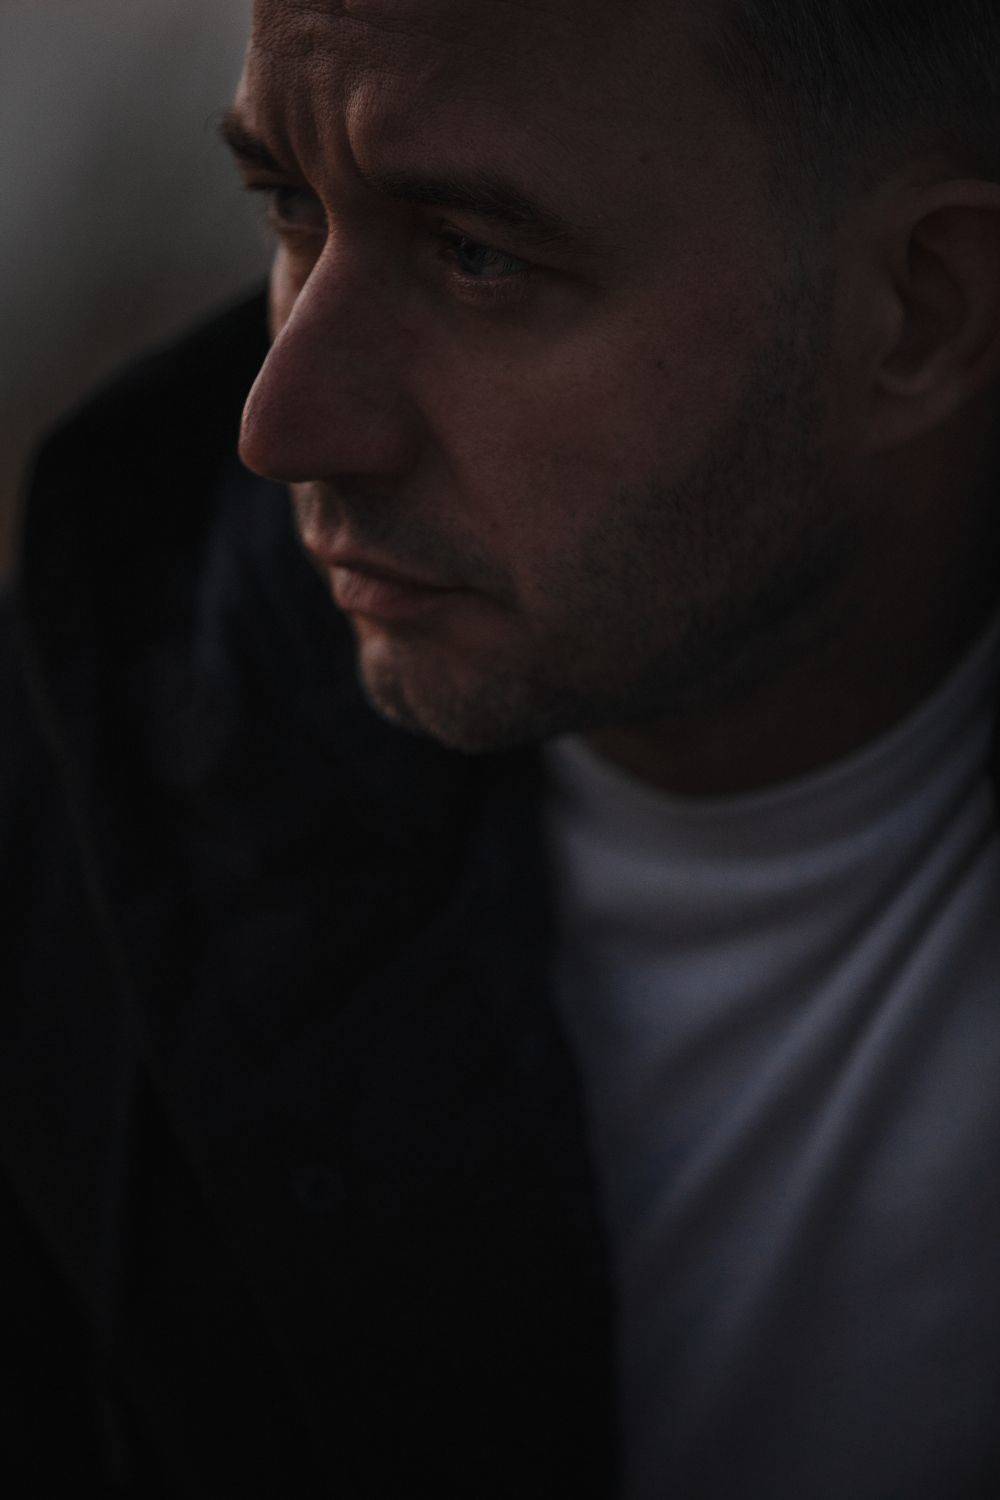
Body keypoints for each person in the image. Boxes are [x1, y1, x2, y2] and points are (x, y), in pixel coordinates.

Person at [4, 0, 1000, 1494]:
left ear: (921, 309)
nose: (282, 425)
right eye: (290, 208)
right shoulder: (61, 813)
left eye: (476, 256)